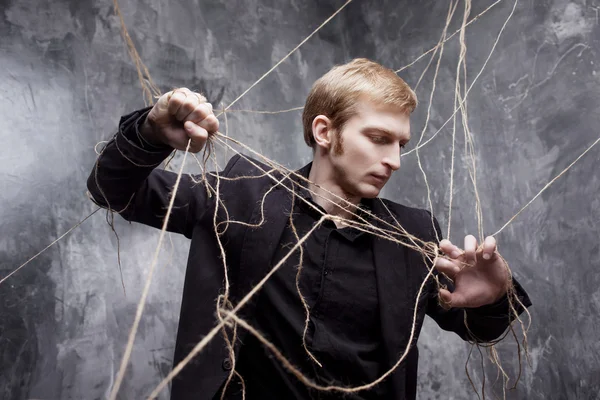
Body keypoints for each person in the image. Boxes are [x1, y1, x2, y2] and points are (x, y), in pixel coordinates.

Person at [87, 58, 531, 400]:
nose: (394, 160)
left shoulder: (414, 233)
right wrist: (148, 134)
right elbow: (112, 190)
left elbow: (479, 328)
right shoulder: (240, 196)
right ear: (324, 131)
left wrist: (495, 295)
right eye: (378, 138)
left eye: (401, 145)